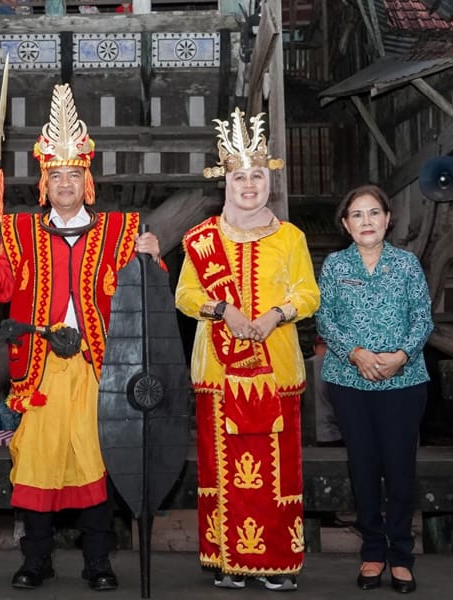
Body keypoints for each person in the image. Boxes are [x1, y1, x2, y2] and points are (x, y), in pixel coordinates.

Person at [0, 83, 161, 592]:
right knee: (37, 462)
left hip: (99, 369)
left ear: (87, 179)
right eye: (56, 175)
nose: (64, 183)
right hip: (39, 367)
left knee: (93, 461)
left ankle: (97, 561)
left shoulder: (122, 230)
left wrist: (151, 254)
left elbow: (147, 292)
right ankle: (36, 560)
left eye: (73, 175)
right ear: (44, 181)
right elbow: (1, 287)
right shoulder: (17, 231)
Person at [175, 108, 320, 592]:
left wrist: (275, 315)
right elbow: (185, 296)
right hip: (218, 369)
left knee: (278, 469)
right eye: (240, 177)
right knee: (222, 468)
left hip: (276, 369)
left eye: (257, 175)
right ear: (226, 182)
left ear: (269, 180)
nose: (249, 185)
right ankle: (228, 560)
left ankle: (278, 561)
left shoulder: (290, 237)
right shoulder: (200, 240)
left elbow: (308, 293)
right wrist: (222, 310)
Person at [315, 184, 433, 594]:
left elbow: (423, 318)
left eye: (374, 213)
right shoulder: (334, 265)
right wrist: (357, 355)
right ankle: (372, 551)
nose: (366, 221)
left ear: (387, 219)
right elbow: (325, 319)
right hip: (350, 381)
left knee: (400, 471)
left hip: (404, 379)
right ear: (347, 226)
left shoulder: (407, 264)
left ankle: (401, 555)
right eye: (357, 215)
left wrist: (400, 355)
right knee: (363, 469)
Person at [311, 336, 342, 446]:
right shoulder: (338, 369)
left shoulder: (303, 368)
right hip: (334, 433)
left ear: (314, 348)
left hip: (309, 434)